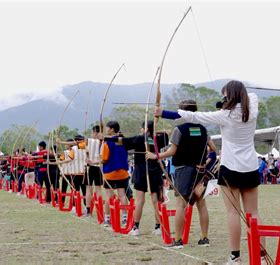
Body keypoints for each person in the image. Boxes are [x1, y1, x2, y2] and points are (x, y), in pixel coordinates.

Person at [153, 80, 262, 264]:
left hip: (230, 167)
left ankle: (235, 257)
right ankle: (260, 253)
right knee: (254, 213)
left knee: (233, 213)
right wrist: (227, 100)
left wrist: (163, 112)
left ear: (229, 97)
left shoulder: (224, 115)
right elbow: (250, 96)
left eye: (224, 95)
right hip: (250, 166)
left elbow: (194, 116)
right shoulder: (252, 109)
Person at [147, 100, 216, 249]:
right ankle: (204, 238)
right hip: (200, 170)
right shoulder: (203, 130)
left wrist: (156, 156)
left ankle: (178, 240)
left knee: (181, 205)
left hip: (183, 170)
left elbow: (172, 151)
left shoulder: (179, 130)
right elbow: (213, 149)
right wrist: (206, 163)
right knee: (201, 204)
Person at [101, 121, 169, 236]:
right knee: (155, 200)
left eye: (142, 128)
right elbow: (166, 135)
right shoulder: (159, 139)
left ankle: (136, 228)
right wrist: (152, 132)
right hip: (155, 172)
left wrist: (106, 138)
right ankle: (158, 227)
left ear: (145, 129)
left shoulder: (139, 139)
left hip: (142, 172)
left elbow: (122, 141)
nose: (140, 130)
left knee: (140, 201)